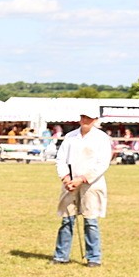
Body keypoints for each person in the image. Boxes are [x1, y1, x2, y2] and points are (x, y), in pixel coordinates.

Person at [52, 111, 112, 267]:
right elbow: (61, 159)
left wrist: (82, 179)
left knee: (90, 220)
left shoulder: (102, 138)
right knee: (67, 219)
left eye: (89, 118)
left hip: (91, 184)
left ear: (95, 120)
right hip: (69, 183)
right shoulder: (70, 136)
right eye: (83, 117)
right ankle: (61, 256)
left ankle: (94, 257)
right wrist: (66, 178)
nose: (85, 120)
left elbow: (102, 163)